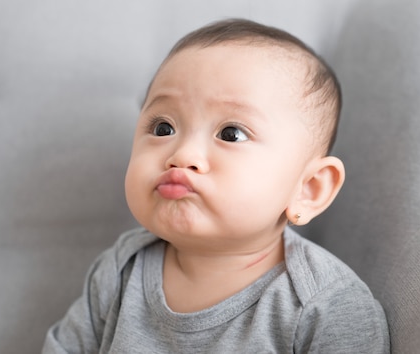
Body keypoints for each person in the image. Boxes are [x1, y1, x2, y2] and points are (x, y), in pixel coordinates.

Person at [43, 19, 390, 353]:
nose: (182, 155)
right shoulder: (121, 268)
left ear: (308, 189)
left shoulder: (324, 304)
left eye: (231, 134)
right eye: (163, 128)